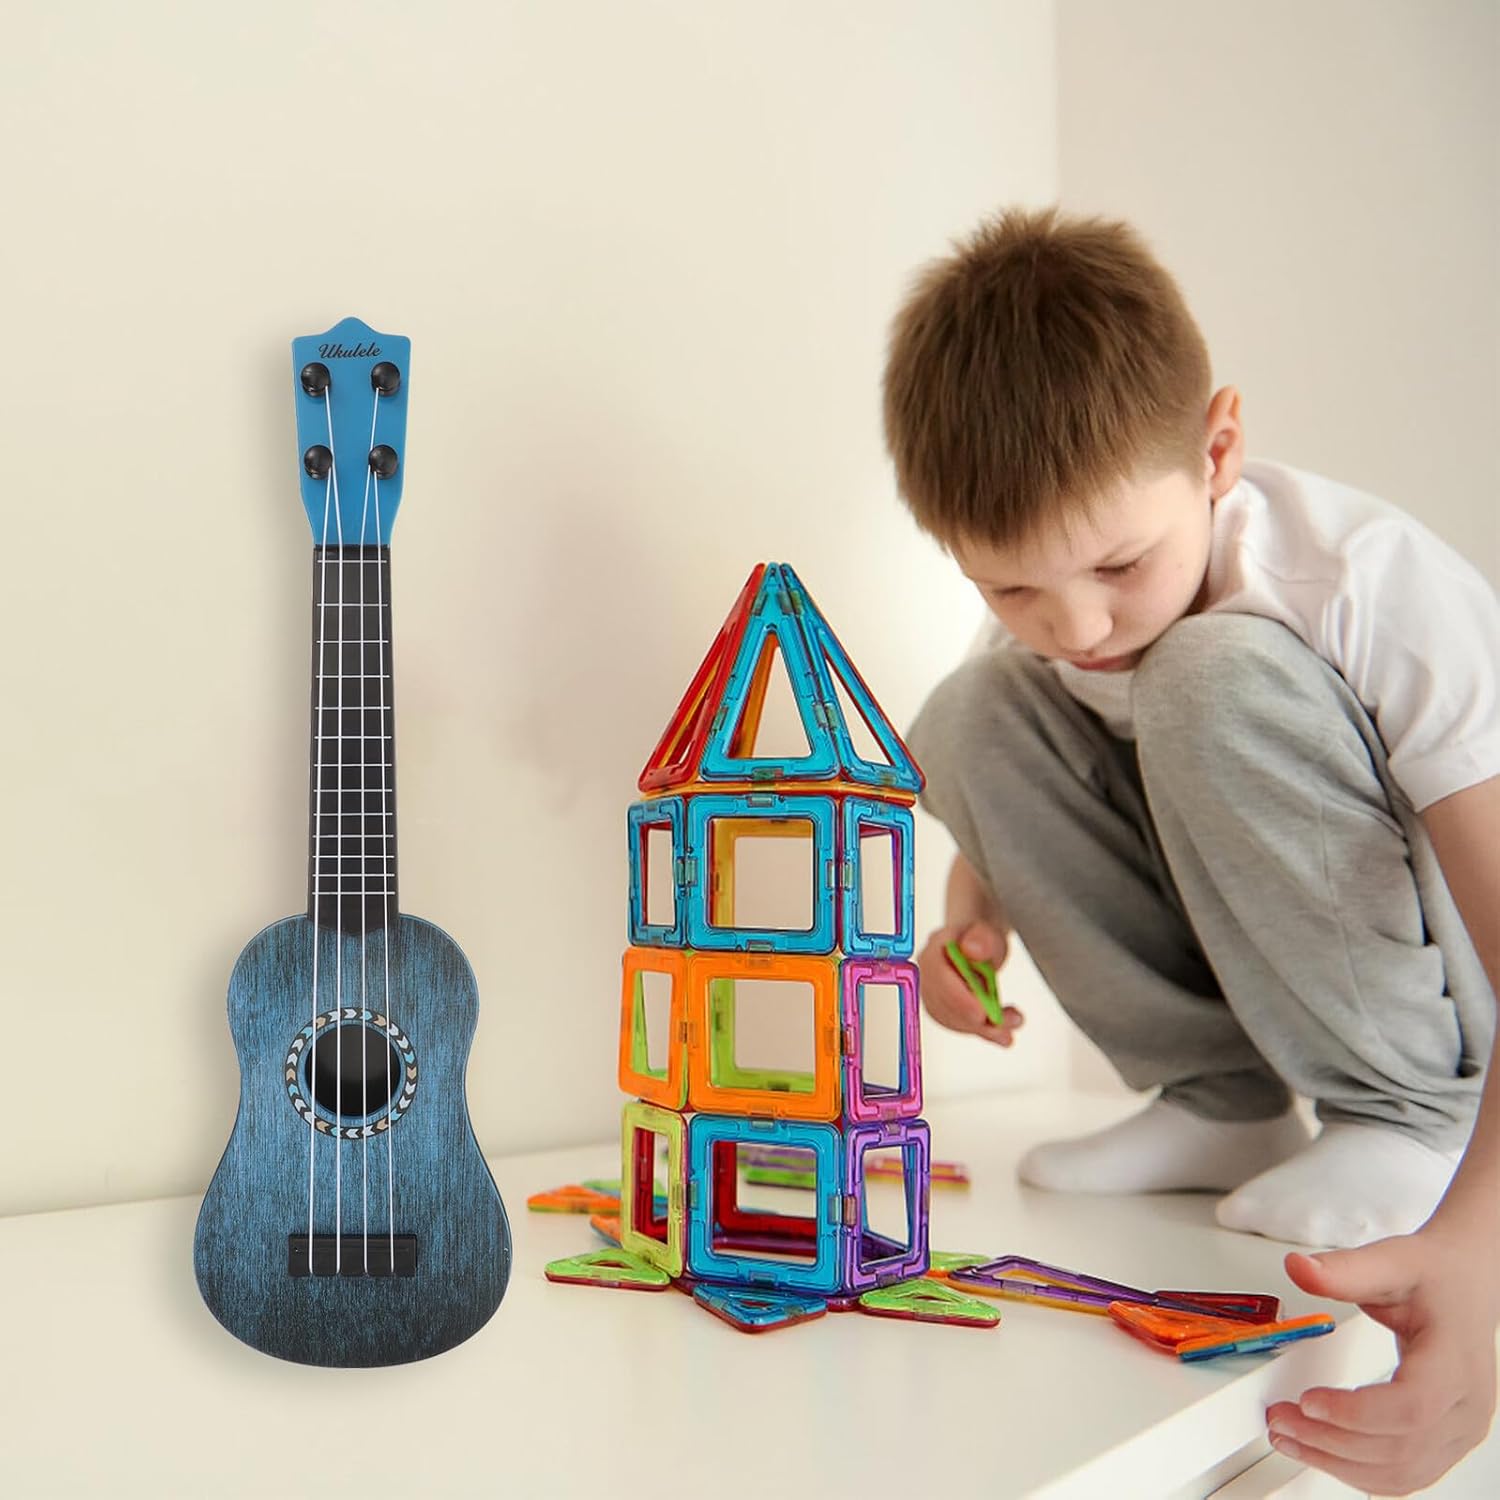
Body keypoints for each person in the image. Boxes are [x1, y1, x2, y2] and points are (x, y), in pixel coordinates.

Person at [884, 206, 1499, 1494]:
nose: (1078, 626)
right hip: (1256, 968)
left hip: (1448, 1011)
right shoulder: (1055, 629)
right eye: (1011, 588)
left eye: (1119, 563)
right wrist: (969, 922)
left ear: (1218, 451)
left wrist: (1480, 1243)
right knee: (973, 709)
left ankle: (1405, 1118)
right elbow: (1012, 787)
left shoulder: (1361, 584)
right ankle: (1222, 1101)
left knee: (1202, 672)